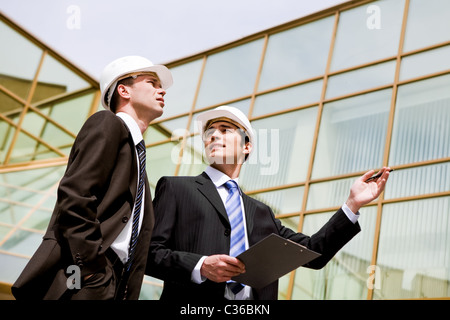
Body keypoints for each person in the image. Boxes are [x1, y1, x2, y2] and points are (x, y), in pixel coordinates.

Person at [147, 105, 391, 300]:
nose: (213, 136)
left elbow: (314, 253)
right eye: (209, 133)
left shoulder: (262, 212)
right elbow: (149, 255)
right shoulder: (177, 188)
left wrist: (352, 204)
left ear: (247, 146)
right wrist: (200, 266)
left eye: (224, 129)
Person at [12, 56, 173, 300]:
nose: (161, 90)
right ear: (123, 90)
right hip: (86, 275)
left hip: (117, 283)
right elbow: (75, 195)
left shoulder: (138, 159)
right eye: (152, 82)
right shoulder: (108, 123)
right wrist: (91, 270)